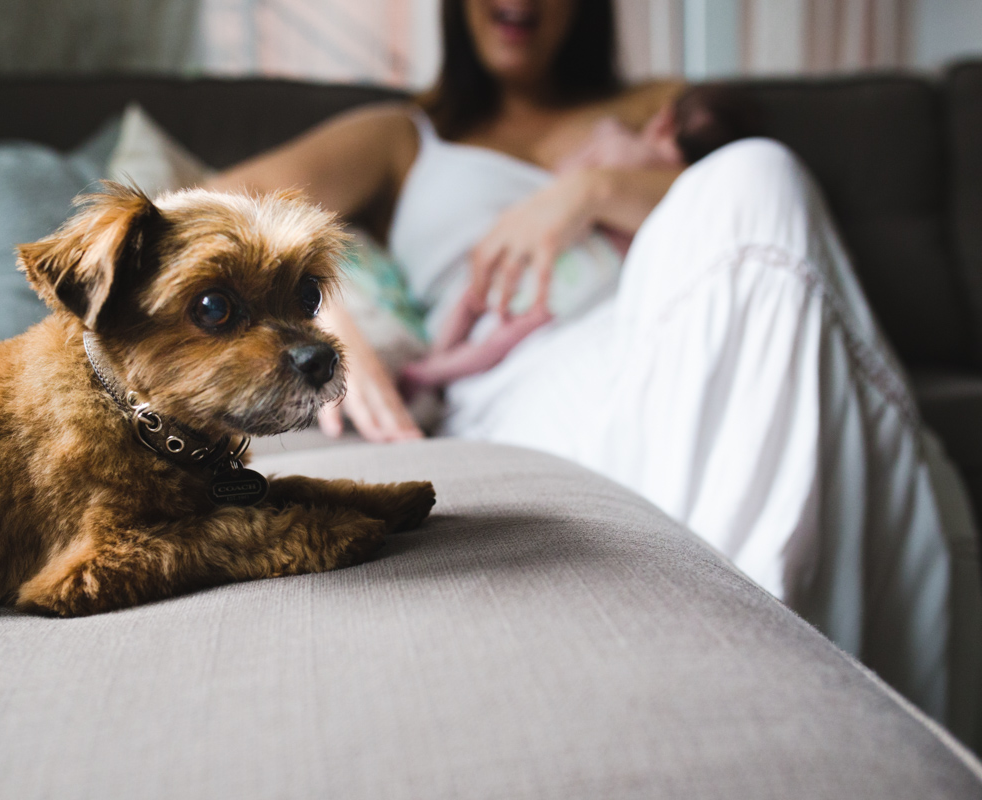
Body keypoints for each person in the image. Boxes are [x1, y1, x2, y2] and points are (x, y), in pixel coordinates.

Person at [209, 0, 982, 744]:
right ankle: (776, 696)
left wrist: (594, 190)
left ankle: (756, 681)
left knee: (759, 172)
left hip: (693, 331)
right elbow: (211, 204)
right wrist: (312, 305)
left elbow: (771, 234)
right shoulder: (405, 135)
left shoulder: (656, 107)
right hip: (530, 387)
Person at [399, 84, 762, 391]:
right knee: (505, 336)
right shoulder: (684, 184)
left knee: (475, 300)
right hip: (587, 277)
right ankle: (436, 372)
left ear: (664, 120)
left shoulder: (615, 139)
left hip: (553, 260)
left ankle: (435, 358)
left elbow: (562, 177)